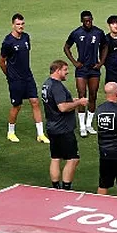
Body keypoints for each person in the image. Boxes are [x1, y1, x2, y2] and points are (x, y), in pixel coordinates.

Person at [0, 13, 49, 144]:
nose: (20, 26)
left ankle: (40, 134)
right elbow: (1, 61)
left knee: (35, 102)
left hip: (28, 76)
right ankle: (10, 132)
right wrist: (9, 76)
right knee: (17, 105)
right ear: (13, 25)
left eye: (22, 24)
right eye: (18, 24)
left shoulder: (26, 37)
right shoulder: (8, 42)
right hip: (16, 80)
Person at [41, 60, 88, 190]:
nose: (67, 72)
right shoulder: (56, 86)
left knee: (55, 157)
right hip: (63, 128)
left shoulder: (47, 84)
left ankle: (56, 186)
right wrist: (79, 103)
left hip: (52, 126)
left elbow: (57, 101)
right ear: (58, 70)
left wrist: (73, 100)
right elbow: (62, 107)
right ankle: (66, 188)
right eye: (65, 70)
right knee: (73, 159)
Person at [64, 10, 107, 137]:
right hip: (81, 69)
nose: (88, 23)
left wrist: (101, 62)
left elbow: (105, 46)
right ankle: (82, 126)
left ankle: (89, 124)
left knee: (93, 95)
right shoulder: (76, 33)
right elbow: (66, 47)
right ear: (81, 21)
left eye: (90, 20)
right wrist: (74, 62)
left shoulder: (98, 32)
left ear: (92, 19)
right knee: (82, 96)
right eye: (85, 21)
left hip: (94, 69)